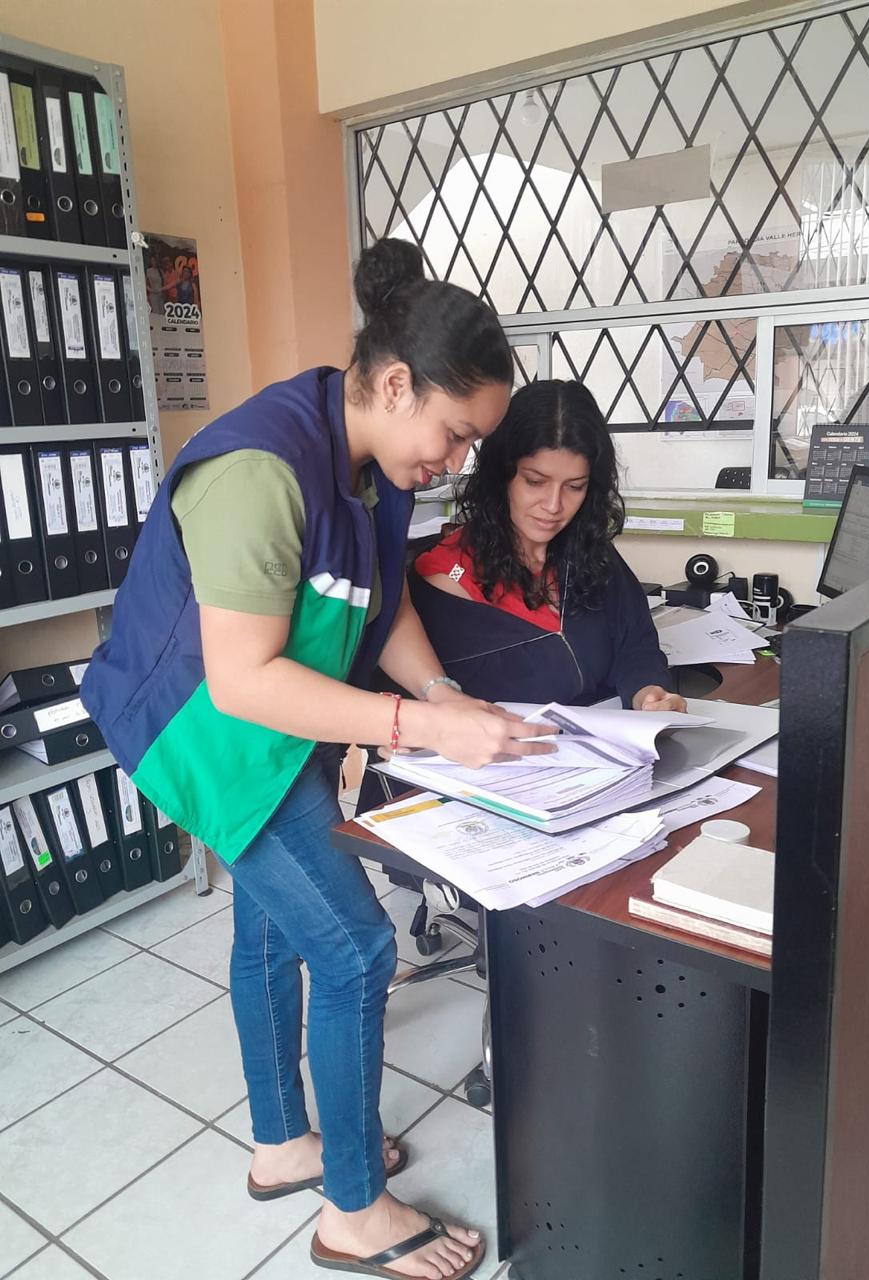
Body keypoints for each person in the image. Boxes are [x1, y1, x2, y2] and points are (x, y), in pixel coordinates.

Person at [81, 238, 554, 1280]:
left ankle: (283, 1144)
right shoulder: (259, 469)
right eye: (455, 433)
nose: (456, 460)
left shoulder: (372, 463)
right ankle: (351, 1209)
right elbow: (242, 680)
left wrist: (438, 691)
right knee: (353, 948)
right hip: (203, 729)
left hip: (277, 722)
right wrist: (417, 729)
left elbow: (379, 604)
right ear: (395, 384)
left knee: (271, 927)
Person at [408, 378, 685, 712]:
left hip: (613, 740)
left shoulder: (590, 553)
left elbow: (636, 646)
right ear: (502, 475)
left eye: (575, 486)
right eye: (535, 482)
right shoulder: (446, 581)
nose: (554, 506)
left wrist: (648, 693)